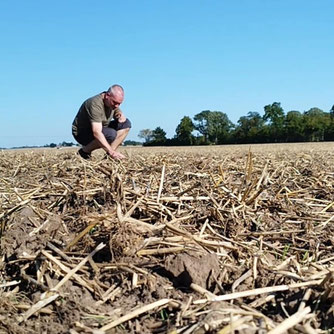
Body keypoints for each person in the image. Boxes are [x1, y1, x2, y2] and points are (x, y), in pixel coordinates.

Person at [72, 84, 131, 160]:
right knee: (111, 134)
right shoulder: (95, 104)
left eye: (119, 103)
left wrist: (119, 115)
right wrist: (112, 152)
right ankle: (84, 152)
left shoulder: (111, 103)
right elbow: (96, 132)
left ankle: (109, 158)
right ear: (107, 96)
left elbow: (116, 110)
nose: (117, 105)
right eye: (115, 102)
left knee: (126, 123)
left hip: (101, 128)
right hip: (82, 133)